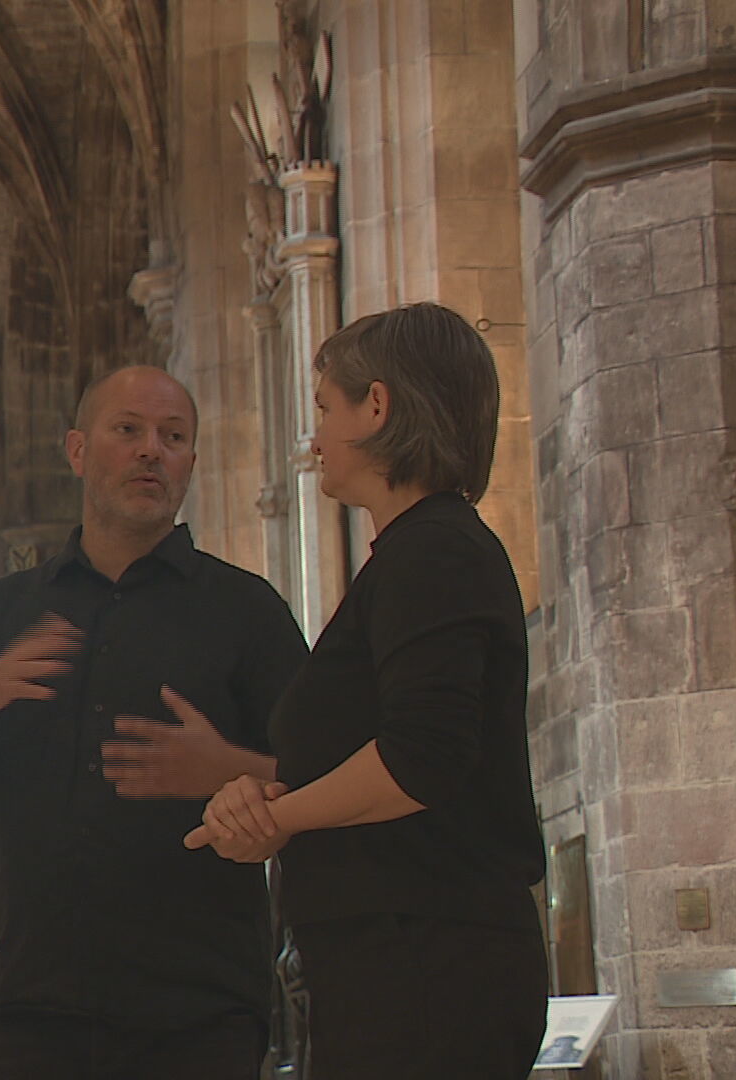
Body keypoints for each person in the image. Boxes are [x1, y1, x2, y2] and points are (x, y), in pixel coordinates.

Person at [0, 366, 308, 1079]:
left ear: (191, 465)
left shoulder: (246, 611)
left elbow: (318, 778)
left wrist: (222, 767)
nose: (152, 451)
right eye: (129, 431)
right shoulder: (2, 612)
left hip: (199, 1015)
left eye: (173, 438)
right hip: (34, 1006)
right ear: (79, 451)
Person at [186, 302, 548, 1077]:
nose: (312, 440)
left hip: (428, 965)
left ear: (376, 408)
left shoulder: (437, 554)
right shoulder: (411, 557)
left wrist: (276, 819)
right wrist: (264, 794)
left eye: (324, 407)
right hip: (394, 959)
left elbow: (422, 757)